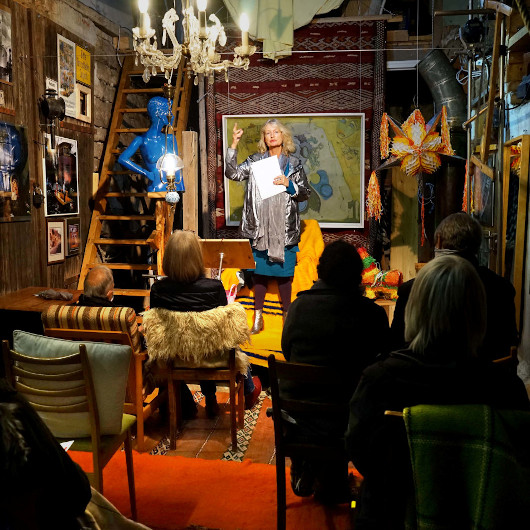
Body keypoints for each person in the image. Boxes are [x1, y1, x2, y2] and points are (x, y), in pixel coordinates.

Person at [346, 255, 530, 529]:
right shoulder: (505, 387)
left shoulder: (380, 380)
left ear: (414, 309)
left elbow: (358, 450)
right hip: (480, 516)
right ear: (480, 313)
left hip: (391, 513)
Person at [281, 239, 390, 504]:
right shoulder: (372, 315)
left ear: (321, 272)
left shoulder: (298, 308)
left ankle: (310, 466)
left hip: (300, 420)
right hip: (352, 421)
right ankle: (330, 479)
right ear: (357, 275)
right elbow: (383, 364)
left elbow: (287, 352)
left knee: (320, 405)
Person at [150, 230, 262, 417]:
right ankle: (227, 395)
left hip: (175, 358)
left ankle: (210, 399)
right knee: (211, 340)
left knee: (198, 340)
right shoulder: (214, 288)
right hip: (211, 357)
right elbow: (221, 329)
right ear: (197, 257)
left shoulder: (158, 290)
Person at [390, 211, 519, 362]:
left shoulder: (412, 289)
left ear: (439, 241)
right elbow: (508, 343)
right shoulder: (502, 288)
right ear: (477, 244)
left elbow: (396, 346)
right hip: (488, 380)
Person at [225, 119, 312, 333]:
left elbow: (305, 193)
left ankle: (287, 318)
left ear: (283, 136)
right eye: (267, 133)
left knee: (284, 277)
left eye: (276, 132)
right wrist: (234, 144)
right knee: (260, 274)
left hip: (284, 230)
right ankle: (258, 317)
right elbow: (233, 173)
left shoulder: (294, 164)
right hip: (260, 229)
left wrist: (288, 184)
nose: (272, 135)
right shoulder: (255, 161)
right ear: (264, 138)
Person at [118, 96, 184, 193]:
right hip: (157, 186)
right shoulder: (141, 140)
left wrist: (181, 186)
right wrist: (145, 173)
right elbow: (122, 159)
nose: (172, 115)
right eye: (168, 111)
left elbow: (177, 166)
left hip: (174, 186)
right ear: (159, 114)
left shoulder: (170, 138)